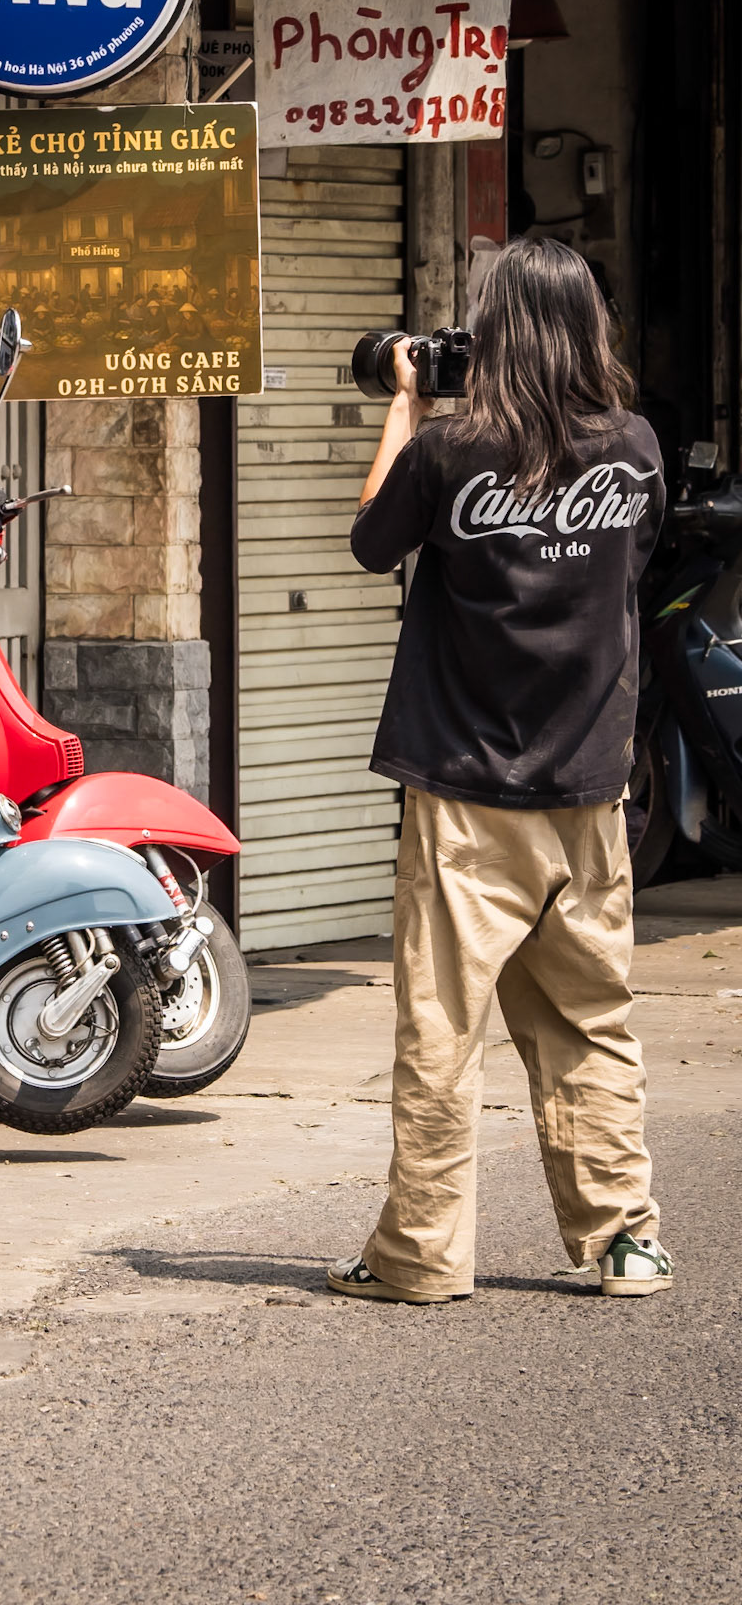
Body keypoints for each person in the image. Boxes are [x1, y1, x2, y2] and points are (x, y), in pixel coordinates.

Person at [328, 238, 673, 1302]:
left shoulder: (452, 449)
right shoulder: (637, 444)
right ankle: (624, 1241)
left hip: (466, 792)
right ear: (585, 328)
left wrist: (405, 407)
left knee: (441, 1028)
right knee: (591, 1021)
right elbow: (633, 562)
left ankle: (424, 1254)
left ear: (495, 329)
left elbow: (369, 542)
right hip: (591, 789)